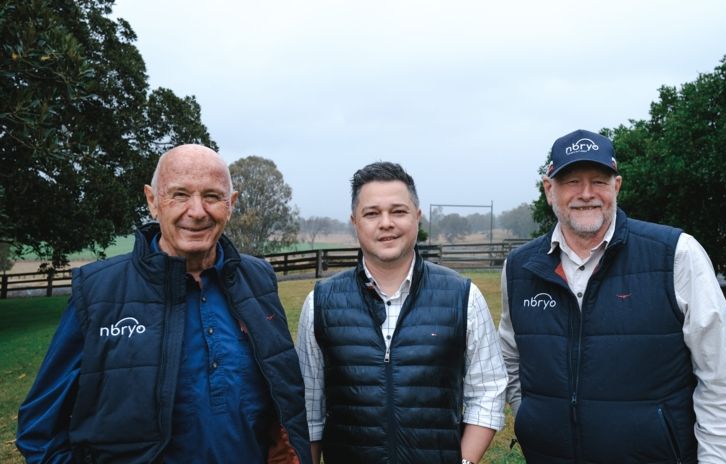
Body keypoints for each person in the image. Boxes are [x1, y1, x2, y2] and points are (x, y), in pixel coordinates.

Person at [16, 144, 311, 463]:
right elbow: (39, 430)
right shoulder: (98, 290)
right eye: (180, 194)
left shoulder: (257, 279)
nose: (197, 212)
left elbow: (287, 403)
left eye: (212, 196)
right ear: (152, 201)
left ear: (231, 204)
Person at [498, 129, 726, 463]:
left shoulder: (677, 254)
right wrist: (533, 417)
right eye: (572, 182)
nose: (587, 193)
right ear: (550, 189)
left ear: (616, 186)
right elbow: (510, 356)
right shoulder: (520, 267)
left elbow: (724, 379)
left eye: (599, 181)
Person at [296, 162, 507, 464]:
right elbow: (309, 410)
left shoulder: (464, 296)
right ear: (354, 221)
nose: (386, 223)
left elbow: (488, 391)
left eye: (398, 211)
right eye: (372, 213)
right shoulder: (320, 303)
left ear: (417, 218)